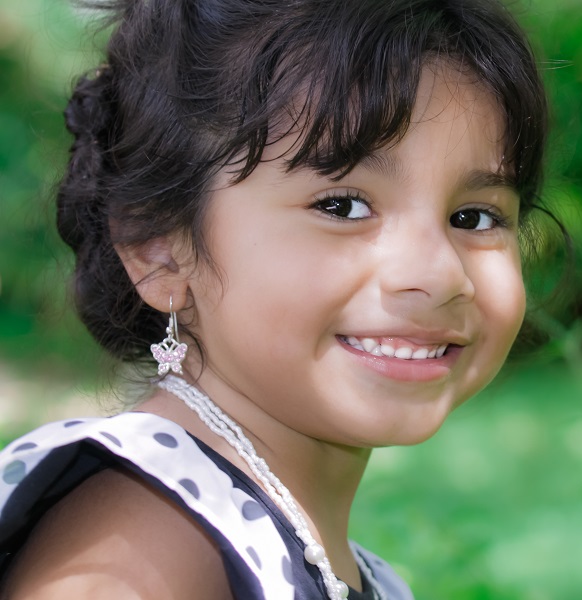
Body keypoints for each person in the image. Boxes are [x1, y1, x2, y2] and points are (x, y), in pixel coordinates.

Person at [0, 0, 549, 597]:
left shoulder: (320, 557)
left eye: (474, 216)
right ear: (160, 249)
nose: (440, 274)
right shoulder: (142, 545)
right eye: (343, 206)